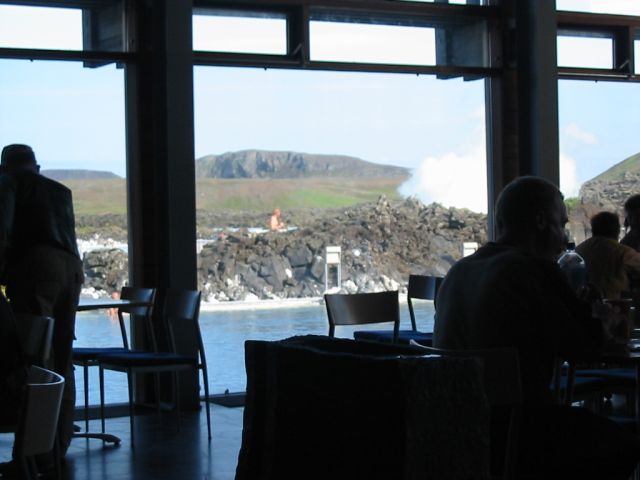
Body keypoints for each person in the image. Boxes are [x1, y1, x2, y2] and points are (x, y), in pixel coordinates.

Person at [433, 176, 640, 479]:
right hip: (520, 434)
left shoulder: (459, 271)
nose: (564, 237)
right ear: (542, 221)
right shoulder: (532, 268)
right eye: (562, 224)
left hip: (458, 431)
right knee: (626, 444)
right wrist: (605, 319)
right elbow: (585, 348)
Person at [0, 144, 84, 464]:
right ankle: (57, 446)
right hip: (71, 270)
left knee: (36, 357)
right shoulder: (60, 191)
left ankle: (32, 451)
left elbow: (3, 230)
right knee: (63, 356)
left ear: (4, 167)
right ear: (36, 166)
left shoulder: (9, 183)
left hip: (35, 270)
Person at [576, 211, 640, 299]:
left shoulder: (579, 249)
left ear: (593, 229)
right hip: (614, 304)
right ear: (617, 230)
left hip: (582, 302)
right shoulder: (622, 252)